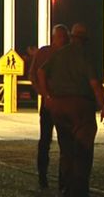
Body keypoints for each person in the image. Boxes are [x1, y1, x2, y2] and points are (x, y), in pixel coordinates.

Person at [38, 22, 104, 197]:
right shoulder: (86, 55)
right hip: (81, 107)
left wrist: (47, 96)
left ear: (71, 37)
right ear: (85, 39)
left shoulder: (59, 54)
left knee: (66, 149)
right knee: (83, 150)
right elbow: (95, 84)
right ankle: (79, 189)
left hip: (59, 107)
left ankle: (66, 186)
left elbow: (41, 72)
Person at [30, 24, 70, 189]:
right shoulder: (46, 53)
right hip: (51, 103)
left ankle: (60, 180)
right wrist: (44, 94)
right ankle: (44, 177)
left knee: (62, 142)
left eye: (65, 37)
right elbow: (34, 75)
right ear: (55, 37)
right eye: (62, 37)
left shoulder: (67, 53)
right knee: (48, 141)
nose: (64, 40)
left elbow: (34, 75)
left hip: (60, 103)